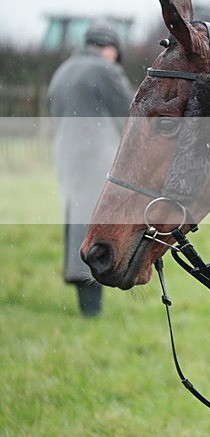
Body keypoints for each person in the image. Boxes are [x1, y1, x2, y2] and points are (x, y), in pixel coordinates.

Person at [48, 19, 134, 317]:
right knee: (97, 229)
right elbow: (133, 112)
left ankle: (85, 296)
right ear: (109, 48)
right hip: (96, 158)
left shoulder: (63, 70)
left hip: (67, 157)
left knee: (79, 223)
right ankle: (91, 305)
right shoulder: (104, 69)